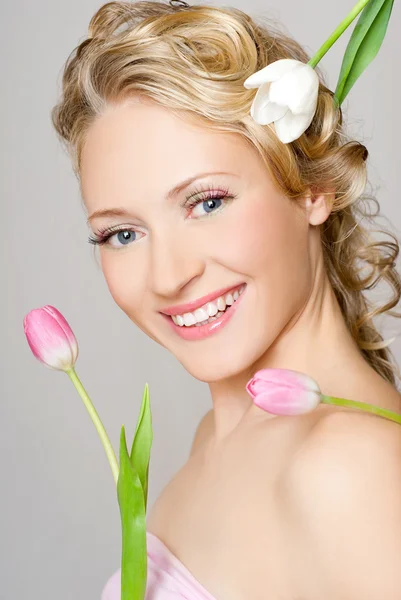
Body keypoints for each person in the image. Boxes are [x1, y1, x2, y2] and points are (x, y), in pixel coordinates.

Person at [51, 1, 401, 598]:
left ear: (312, 186)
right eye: (122, 234)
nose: (168, 275)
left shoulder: (351, 470)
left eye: (207, 202)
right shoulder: (218, 436)